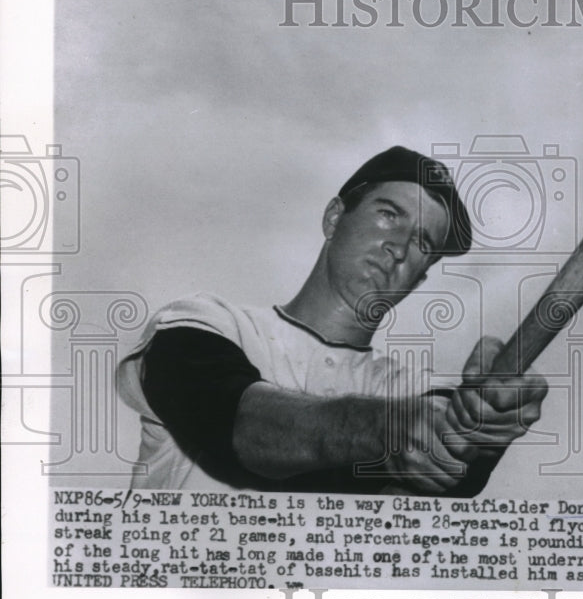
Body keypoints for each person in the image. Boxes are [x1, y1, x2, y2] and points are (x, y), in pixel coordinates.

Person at [116, 146, 548, 495]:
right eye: (388, 214)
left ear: (421, 277)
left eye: (422, 242)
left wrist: (485, 420)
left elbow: (449, 454)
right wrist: (388, 429)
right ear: (334, 217)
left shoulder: (402, 392)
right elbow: (239, 427)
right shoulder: (205, 323)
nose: (399, 247)